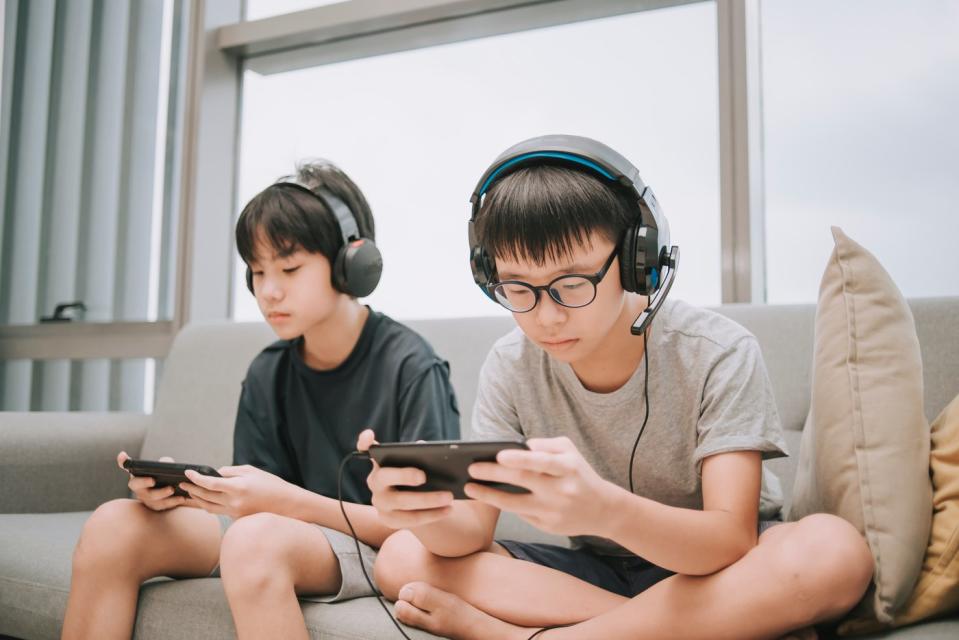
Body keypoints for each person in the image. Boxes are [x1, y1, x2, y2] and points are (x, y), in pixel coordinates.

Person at [361, 136, 873, 640]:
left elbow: (731, 541)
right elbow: (472, 533)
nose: (546, 316)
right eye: (518, 289)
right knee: (403, 555)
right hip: (609, 576)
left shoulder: (718, 351)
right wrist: (422, 513)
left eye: (571, 285)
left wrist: (603, 509)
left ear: (637, 263)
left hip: (718, 572)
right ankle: (682, 629)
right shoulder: (510, 365)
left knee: (834, 552)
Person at [62, 161, 460, 639]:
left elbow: (431, 529)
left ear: (350, 264)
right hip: (273, 532)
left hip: (377, 544)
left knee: (254, 541)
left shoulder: (411, 366)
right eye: (257, 271)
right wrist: (185, 494)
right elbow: (253, 508)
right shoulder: (268, 370)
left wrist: (287, 502)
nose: (268, 292)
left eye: (290, 268)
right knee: (115, 526)